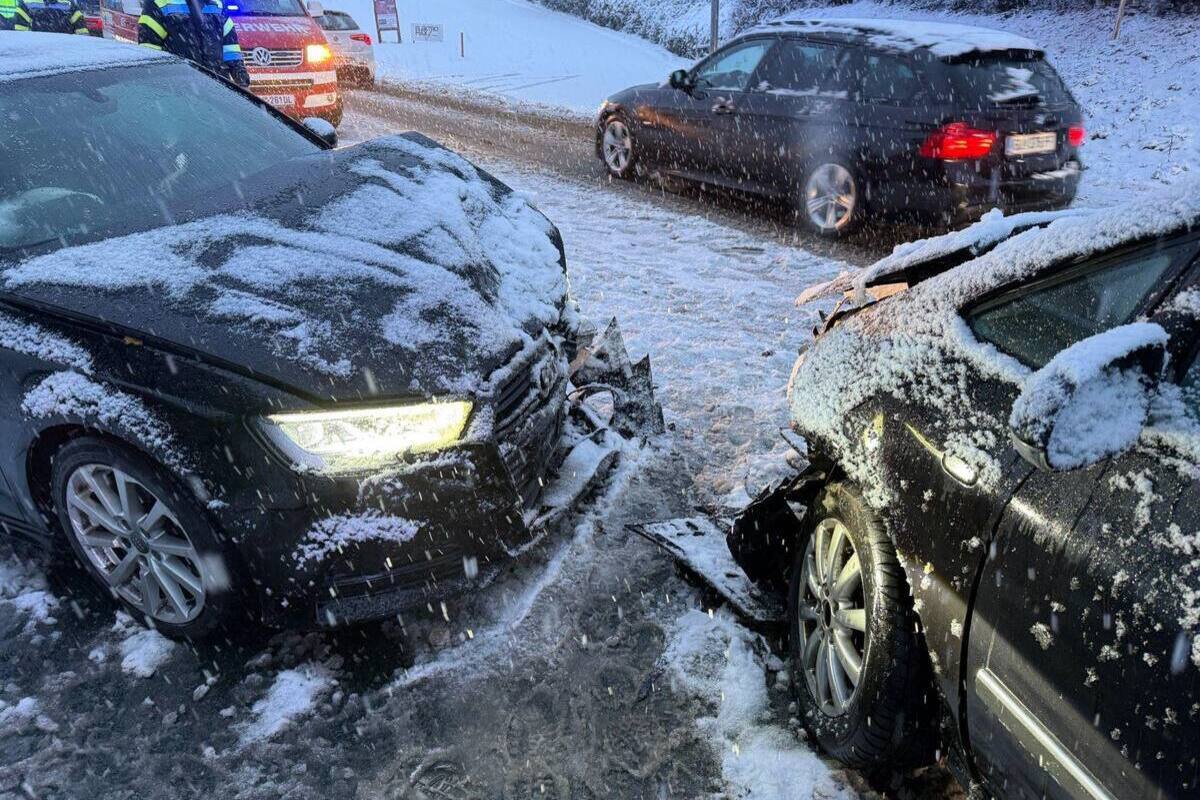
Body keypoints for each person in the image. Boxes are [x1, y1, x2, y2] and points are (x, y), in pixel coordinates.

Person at [137, 0, 250, 86]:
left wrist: (242, 80)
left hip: (217, 88)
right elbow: (149, 55)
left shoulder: (218, 4)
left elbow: (231, 49)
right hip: (178, 89)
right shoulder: (158, 3)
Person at [15, 0, 88, 33]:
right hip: (37, 53)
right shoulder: (26, 4)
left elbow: (82, 31)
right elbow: (20, 33)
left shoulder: (69, 4)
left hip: (64, 52)